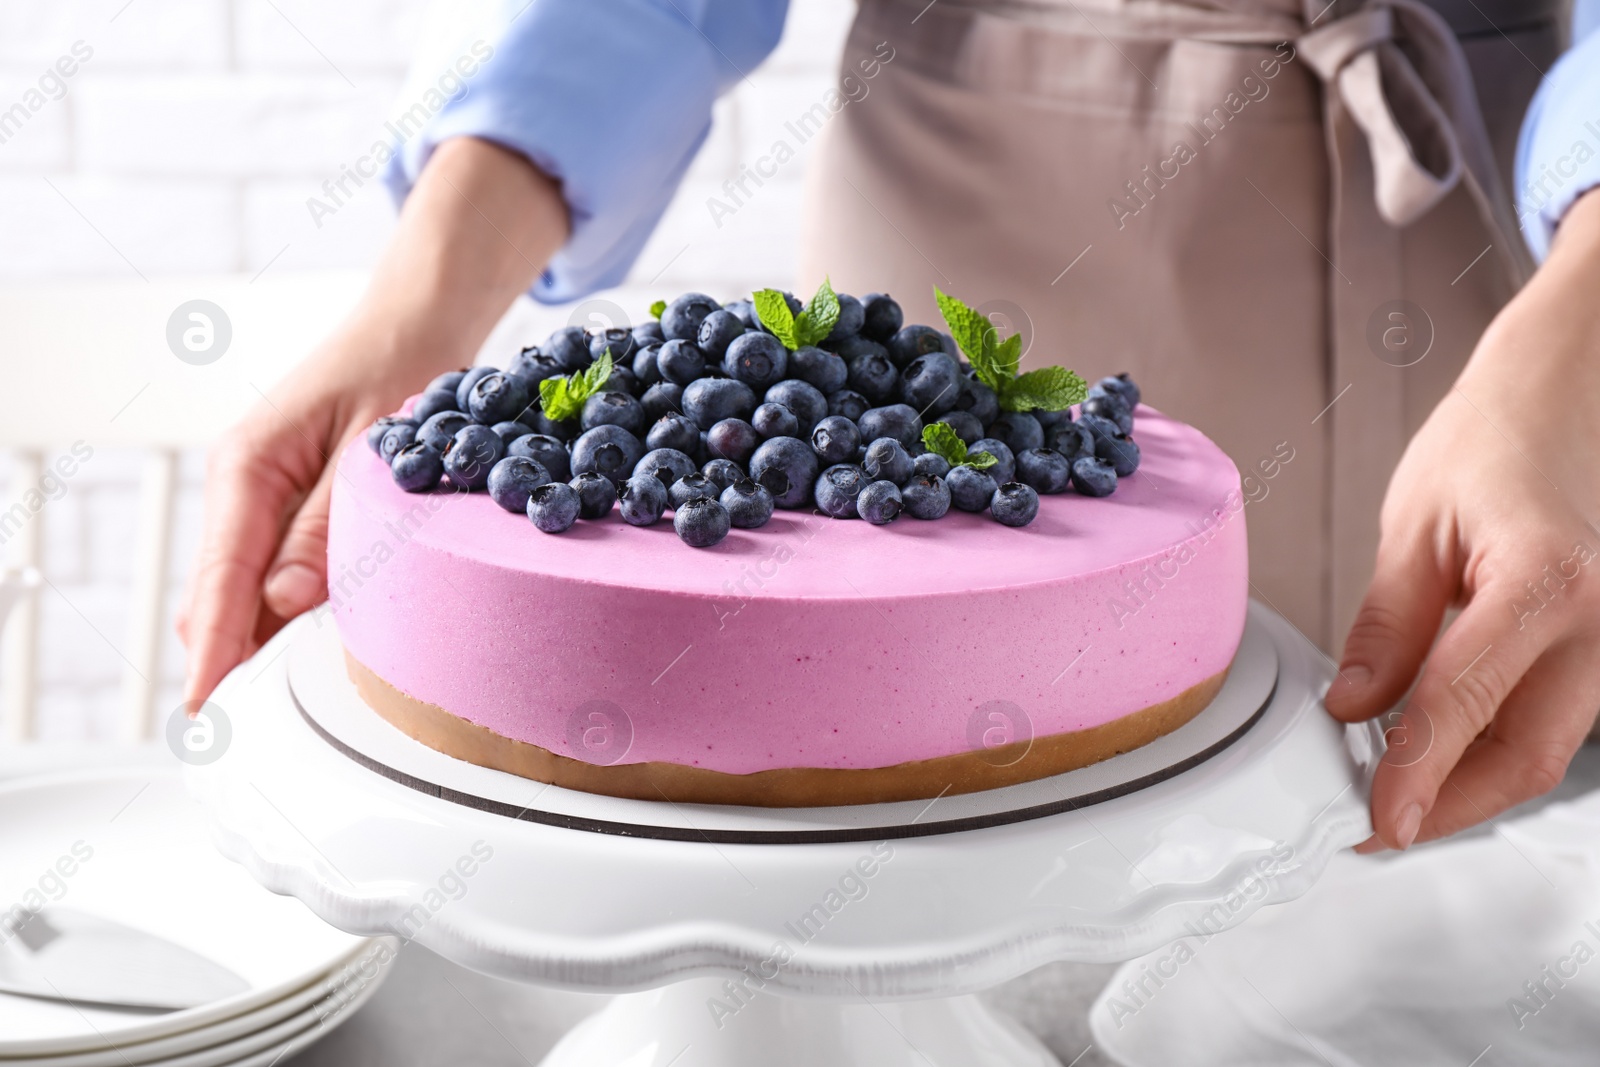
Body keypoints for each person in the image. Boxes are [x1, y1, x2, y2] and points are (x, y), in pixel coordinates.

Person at [179, 0, 1600, 855]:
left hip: (1523, 296)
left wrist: (1579, 337)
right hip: (965, 223)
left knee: (1460, 906)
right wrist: (425, 297)